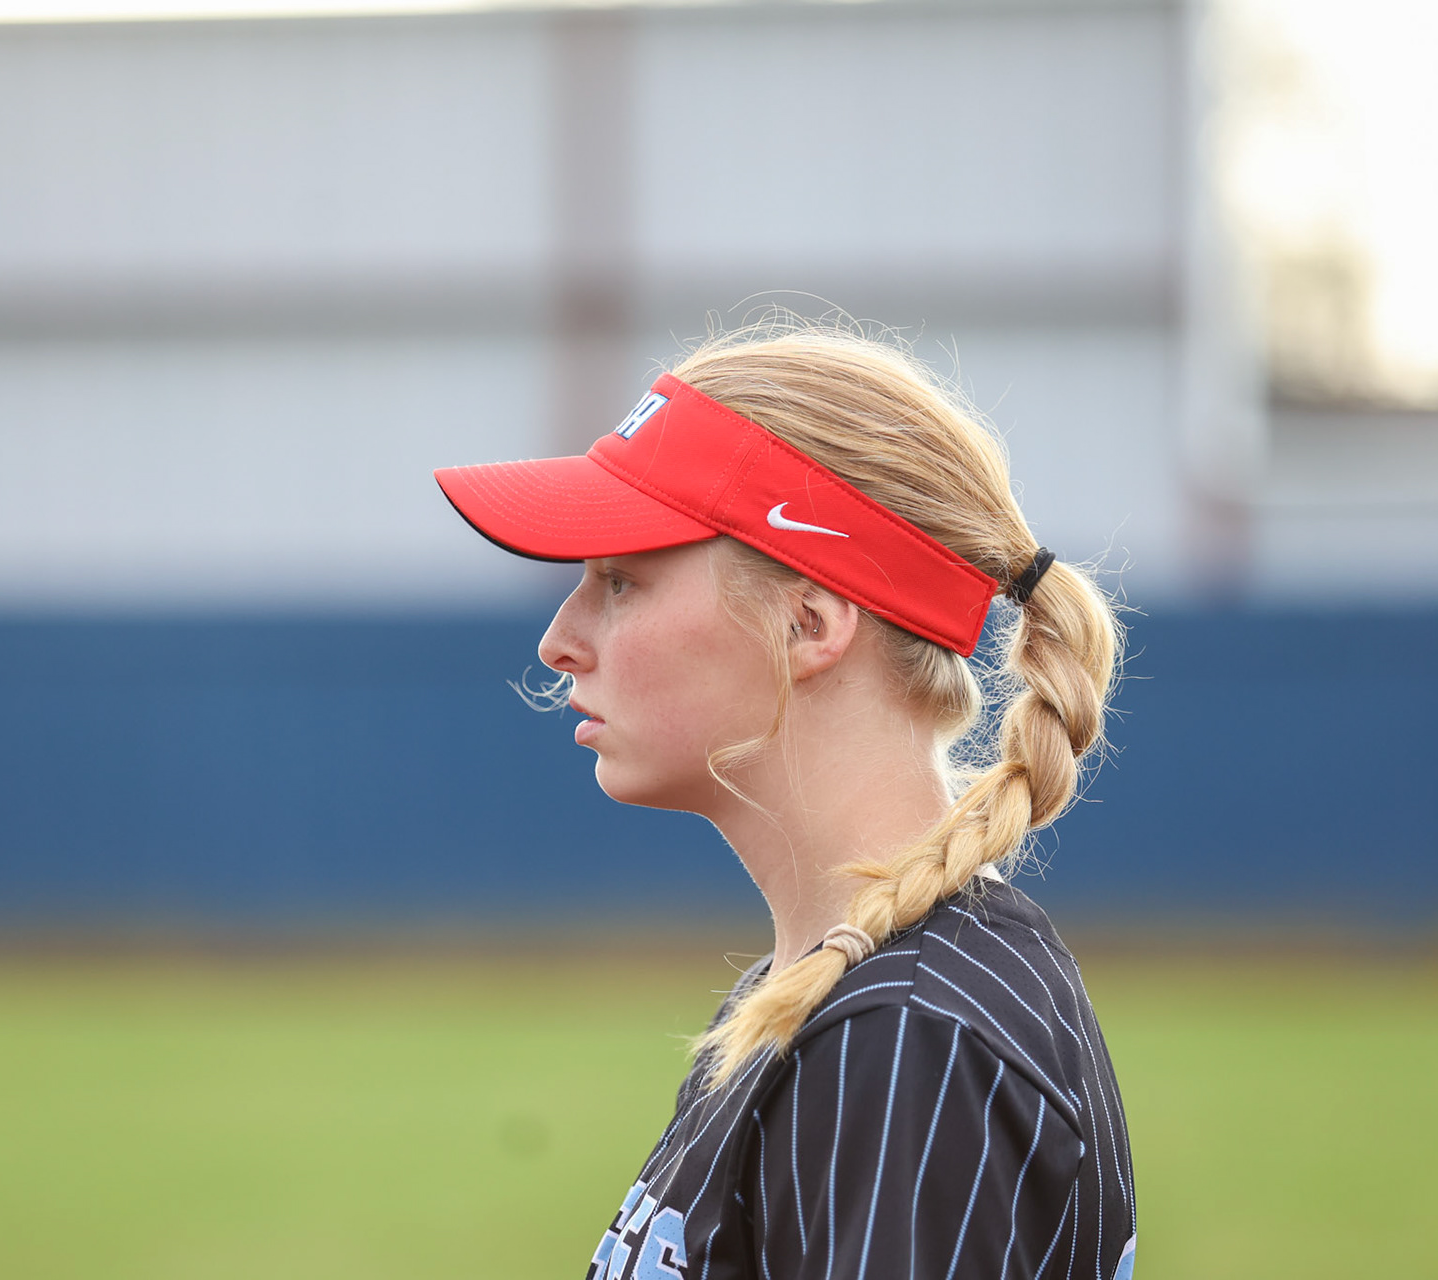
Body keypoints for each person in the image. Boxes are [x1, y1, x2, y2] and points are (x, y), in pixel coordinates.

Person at [433, 323, 1136, 1280]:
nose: (561, 638)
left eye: (621, 581)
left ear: (809, 622)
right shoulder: (834, 995)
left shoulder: (905, 1045)